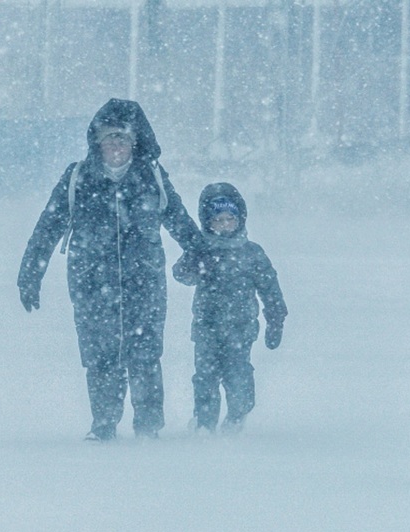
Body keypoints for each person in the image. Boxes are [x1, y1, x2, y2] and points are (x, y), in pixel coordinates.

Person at [18, 99, 201, 441]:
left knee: (145, 355)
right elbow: (47, 228)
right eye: (109, 138)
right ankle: (104, 424)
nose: (116, 145)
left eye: (123, 138)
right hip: (91, 286)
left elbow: (179, 221)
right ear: (97, 142)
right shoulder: (78, 178)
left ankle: (148, 427)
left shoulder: (152, 178)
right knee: (100, 356)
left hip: (144, 284)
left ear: (135, 142)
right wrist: (30, 273)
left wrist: (201, 254)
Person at [172, 182, 287, 434]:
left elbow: (270, 288)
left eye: (229, 219)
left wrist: (275, 320)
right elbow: (181, 274)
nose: (224, 225)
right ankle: (204, 422)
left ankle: (237, 415)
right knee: (205, 376)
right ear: (208, 222)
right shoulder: (202, 250)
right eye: (218, 220)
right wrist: (194, 257)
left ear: (239, 220)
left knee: (238, 374)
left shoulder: (252, 253)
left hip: (241, 327)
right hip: (206, 325)